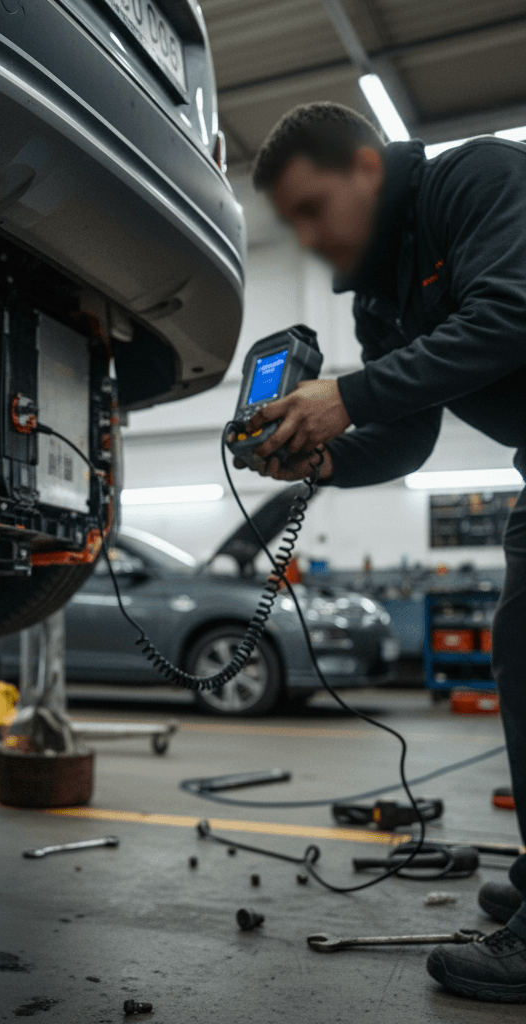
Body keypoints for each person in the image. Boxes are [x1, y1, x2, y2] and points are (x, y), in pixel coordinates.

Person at [244, 102, 526, 1003]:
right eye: (293, 225)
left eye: (315, 208)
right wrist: (325, 452)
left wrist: (348, 396)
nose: (310, 237)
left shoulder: (475, 179)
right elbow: (406, 438)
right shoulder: (379, 297)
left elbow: (511, 314)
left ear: (369, 168)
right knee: (517, 650)